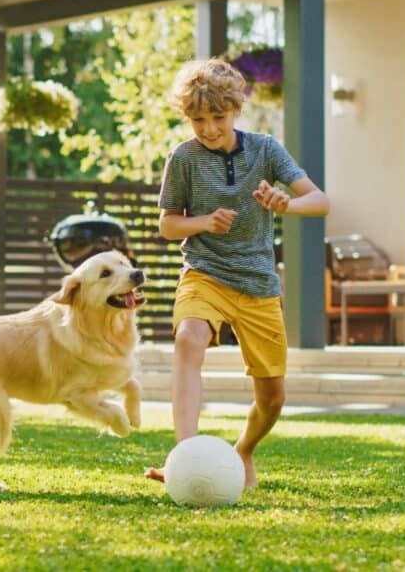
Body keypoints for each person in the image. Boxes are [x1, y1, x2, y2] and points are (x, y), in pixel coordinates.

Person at [144, 58, 329, 489]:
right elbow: (168, 224)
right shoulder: (183, 158)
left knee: (273, 398)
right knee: (189, 338)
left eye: (218, 118)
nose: (208, 128)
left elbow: (319, 201)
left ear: (236, 110)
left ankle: (243, 450)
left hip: (258, 283)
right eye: (197, 119)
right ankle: (185, 457)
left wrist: (288, 204)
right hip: (205, 272)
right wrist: (204, 222)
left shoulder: (264, 150)